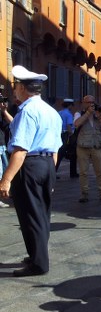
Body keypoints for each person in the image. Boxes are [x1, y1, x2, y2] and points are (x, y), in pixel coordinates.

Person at [0, 65, 62, 276]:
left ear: (22, 88)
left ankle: (38, 264)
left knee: (29, 215)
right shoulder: (51, 112)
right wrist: (51, 175)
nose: (14, 90)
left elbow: (20, 150)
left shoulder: (27, 112)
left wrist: (6, 179)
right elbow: (55, 149)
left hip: (30, 166)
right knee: (41, 214)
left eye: (16, 86)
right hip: (47, 164)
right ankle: (37, 255)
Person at [75, 95, 101, 203]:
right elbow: (76, 124)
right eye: (89, 102)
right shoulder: (79, 114)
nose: (91, 104)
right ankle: (84, 194)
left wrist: (100, 118)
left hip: (97, 146)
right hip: (82, 146)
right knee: (83, 172)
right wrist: (87, 113)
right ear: (84, 103)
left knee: (100, 171)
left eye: (93, 102)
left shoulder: (98, 114)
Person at [55, 99, 78, 178]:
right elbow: (69, 126)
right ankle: (73, 172)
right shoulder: (68, 114)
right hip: (66, 135)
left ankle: (53, 171)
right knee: (70, 153)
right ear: (70, 105)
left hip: (59, 133)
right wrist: (71, 135)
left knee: (58, 154)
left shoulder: (59, 112)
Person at [0, 97, 14, 208]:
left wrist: (4, 111)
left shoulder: (2, 113)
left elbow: (12, 123)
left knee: (5, 171)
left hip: (3, 145)